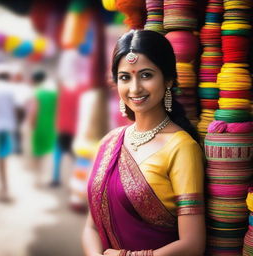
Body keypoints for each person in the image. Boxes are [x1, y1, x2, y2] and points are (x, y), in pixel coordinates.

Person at [82, 30, 206, 256]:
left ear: (168, 79)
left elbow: (193, 244)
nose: (135, 88)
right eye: (125, 77)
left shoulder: (181, 148)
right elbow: (91, 226)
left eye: (146, 75)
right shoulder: (109, 142)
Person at [0, 68, 17, 201]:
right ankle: (5, 188)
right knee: (3, 159)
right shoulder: (10, 90)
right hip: (6, 127)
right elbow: (15, 107)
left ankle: (3, 189)